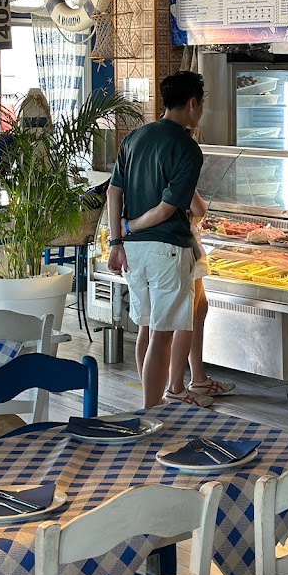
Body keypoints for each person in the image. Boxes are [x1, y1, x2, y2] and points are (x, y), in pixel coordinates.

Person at [107, 71, 206, 409]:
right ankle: (151, 413)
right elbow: (166, 209)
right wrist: (131, 227)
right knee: (162, 337)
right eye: (201, 104)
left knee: (146, 330)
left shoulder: (134, 138)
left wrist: (116, 240)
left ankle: (152, 405)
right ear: (193, 103)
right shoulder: (188, 149)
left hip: (134, 253)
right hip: (166, 250)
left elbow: (113, 191)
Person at [166, 189, 236, 400]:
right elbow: (199, 208)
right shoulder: (179, 168)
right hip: (181, 244)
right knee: (186, 316)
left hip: (182, 244)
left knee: (199, 308)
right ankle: (175, 388)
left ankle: (198, 378)